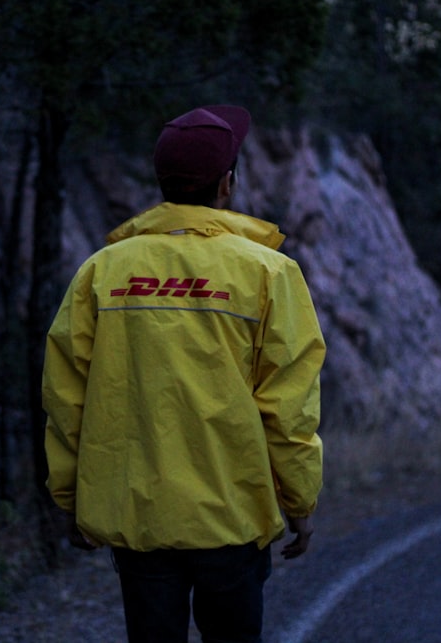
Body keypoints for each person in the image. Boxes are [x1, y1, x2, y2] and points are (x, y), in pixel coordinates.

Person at [42, 104, 325, 643]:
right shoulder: (269, 273)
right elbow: (288, 406)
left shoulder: (103, 271)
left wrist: (71, 499)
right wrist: (300, 502)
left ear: (162, 183)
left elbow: (65, 397)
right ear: (228, 183)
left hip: (139, 518)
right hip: (232, 519)